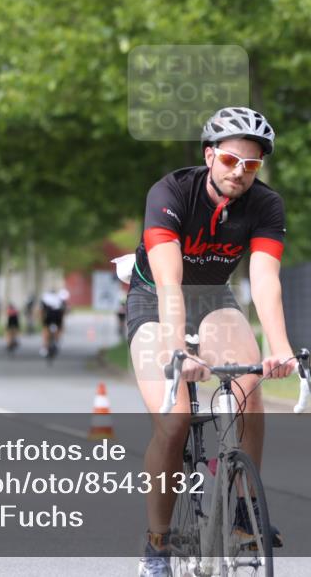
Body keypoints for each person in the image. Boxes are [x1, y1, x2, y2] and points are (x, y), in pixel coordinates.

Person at [127, 106, 298, 577]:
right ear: (209, 156)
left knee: (248, 386)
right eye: (229, 160)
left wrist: (278, 348)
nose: (240, 172)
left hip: (214, 296)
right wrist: (177, 349)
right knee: (175, 420)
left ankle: (243, 509)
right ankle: (157, 547)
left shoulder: (266, 205)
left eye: (251, 164)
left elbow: (264, 279)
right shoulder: (170, 194)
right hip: (155, 298)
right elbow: (168, 282)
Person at [39, 289, 65, 357]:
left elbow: (41, 310)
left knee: (46, 330)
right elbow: (63, 310)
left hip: (49, 314)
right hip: (58, 314)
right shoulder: (59, 298)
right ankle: (57, 341)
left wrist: (41, 320)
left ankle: (45, 347)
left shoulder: (45, 298)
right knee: (59, 329)